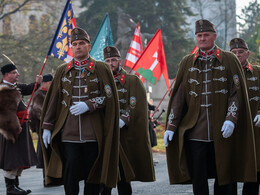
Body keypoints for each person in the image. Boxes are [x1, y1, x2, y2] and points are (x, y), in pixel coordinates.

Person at [163, 19, 257, 195]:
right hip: (195, 131)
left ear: (214, 36)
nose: (203, 38)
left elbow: (235, 93)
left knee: (225, 176)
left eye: (206, 35)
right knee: (199, 178)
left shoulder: (229, 59)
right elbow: (179, 97)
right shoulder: (187, 61)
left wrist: (231, 118)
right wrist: (171, 126)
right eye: (199, 35)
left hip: (222, 130)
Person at [40, 27, 120, 195]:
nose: (78, 47)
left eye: (82, 43)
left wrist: (90, 104)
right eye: (74, 44)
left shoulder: (101, 68)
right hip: (69, 133)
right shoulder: (63, 70)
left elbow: (110, 98)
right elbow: (53, 100)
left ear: (89, 46)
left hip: (93, 133)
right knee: (70, 174)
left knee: (93, 175)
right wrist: (47, 126)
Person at [101, 46, 155, 195]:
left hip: (124, 138)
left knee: (124, 179)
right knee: (104, 181)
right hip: (106, 138)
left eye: (113, 60)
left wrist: (124, 119)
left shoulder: (132, 81)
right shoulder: (101, 81)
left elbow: (136, 104)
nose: (110, 63)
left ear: (120, 61)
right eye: (107, 61)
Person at [0, 63, 42, 195]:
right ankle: (10, 188)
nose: (17, 75)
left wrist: (37, 82)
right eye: (14, 72)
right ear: (7, 75)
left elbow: (30, 88)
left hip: (20, 127)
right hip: (11, 130)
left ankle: (16, 186)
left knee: (18, 158)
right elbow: (6, 114)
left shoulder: (15, 87)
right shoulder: (4, 90)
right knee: (12, 159)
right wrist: (14, 127)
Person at [229, 38, 260, 195]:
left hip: (255, 130)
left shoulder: (257, 72)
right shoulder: (226, 73)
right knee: (230, 169)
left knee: (254, 169)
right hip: (231, 129)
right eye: (234, 53)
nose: (237, 55)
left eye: (241, 52)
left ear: (248, 54)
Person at [29, 73, 53, 185]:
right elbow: (39, 112)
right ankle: (47, 178)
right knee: (45, 154)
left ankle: (55, 176)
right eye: (50, 83)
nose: (52, 84)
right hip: (43, 127)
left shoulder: (52, 93)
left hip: (54, 127)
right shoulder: (39, 95)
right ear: (44, 83)